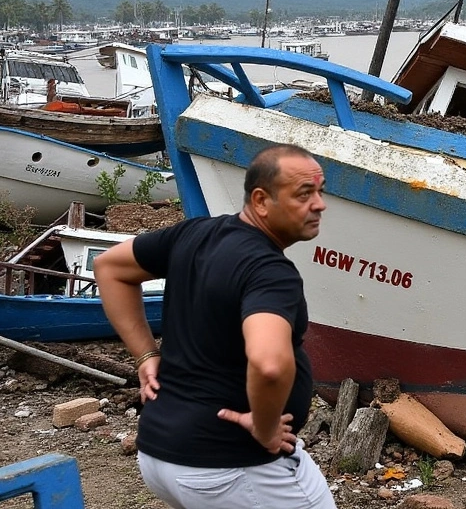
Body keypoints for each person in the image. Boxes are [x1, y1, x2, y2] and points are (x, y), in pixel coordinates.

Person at [96, 143, 336, 509]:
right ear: (260, 201)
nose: (319, 204)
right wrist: (267, 427)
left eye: (320, 192)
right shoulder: (270, 273)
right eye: (304, 194)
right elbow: (269, 364)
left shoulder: (194, 234)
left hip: (161, 454)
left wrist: (146, 354)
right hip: (231, 465)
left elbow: (109, 267)